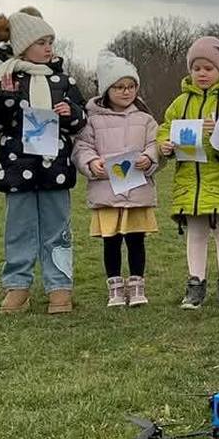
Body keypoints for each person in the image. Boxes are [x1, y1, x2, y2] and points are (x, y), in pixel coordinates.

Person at [0, 7, 86, 315]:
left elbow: (81, 121)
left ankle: (59, 286)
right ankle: (17, 286)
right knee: (19, 231)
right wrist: (7, 98)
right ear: (22, 46)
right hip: (17, 169)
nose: (49, 47)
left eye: (51, 41)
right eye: (41, 42)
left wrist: (72, 113)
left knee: (58, 229)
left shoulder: (64, 80)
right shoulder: (4, 78)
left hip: (55, 169)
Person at [158, 36, 219, 309]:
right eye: (196, 68)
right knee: (196, 232)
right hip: (190, 181)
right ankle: (195, 284)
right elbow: (166, 126)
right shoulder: (180, 102)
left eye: (208, 68)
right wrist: (163, 144)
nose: (202, 74)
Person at [73, 51, 159, 307]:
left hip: (137, 191)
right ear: (107, 90)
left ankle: (136, 286)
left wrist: (149, 158)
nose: (126, 92)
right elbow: (81, 147)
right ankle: (114, 287)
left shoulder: (145, 119)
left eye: (131, 86)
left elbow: (156, 144)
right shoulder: (92, 120)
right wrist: (91, 163)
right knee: (111, 242)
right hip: (106, 191)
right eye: (120, 87)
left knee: (136, 240)